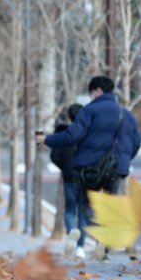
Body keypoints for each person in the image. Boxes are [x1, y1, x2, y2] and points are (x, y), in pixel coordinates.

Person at [36, 76, 141, 260]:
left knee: (86, 205)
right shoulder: (125, 114)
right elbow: (137, 141)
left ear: (98, 90)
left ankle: (85, 232)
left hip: (90, 168)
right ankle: (104, 243)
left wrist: (46, 140)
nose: (92, 96)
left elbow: (72, 136)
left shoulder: (89, 111)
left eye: (92, 92)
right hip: (116, 168)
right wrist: (123, 159)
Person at [49, 104, 90, 259]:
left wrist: (65, 166)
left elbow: (54, 156)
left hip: (68, 176)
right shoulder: (89, 132)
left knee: (70, 209)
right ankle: (80, 248)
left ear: (69, 116)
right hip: (86, 177)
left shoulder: (62, 132)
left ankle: (71, 230)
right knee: (83, 212)